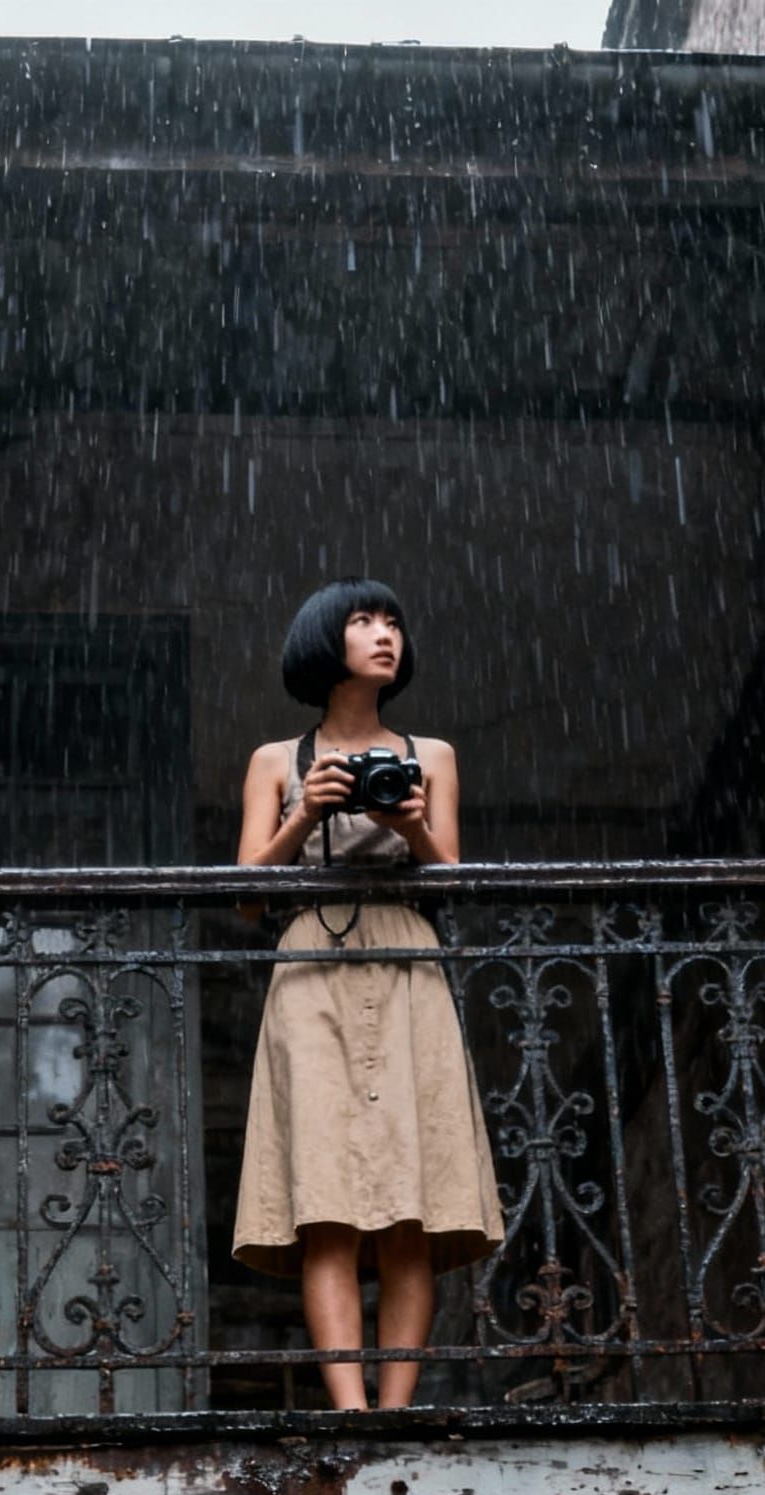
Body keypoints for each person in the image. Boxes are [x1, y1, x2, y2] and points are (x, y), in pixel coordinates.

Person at [232, 577, 503, 1410]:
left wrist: (409, 826)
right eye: (363, 621)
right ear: (325, 640)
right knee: (327, 1201)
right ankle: (349, 1410)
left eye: (394, 620)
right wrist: (303, 817)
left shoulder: (434, 756)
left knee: (409, 1203)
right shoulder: (276, 760)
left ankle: (396, 1410)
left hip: (407, 955)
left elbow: (451, 881)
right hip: (312, 958)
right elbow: (243, 892)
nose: (385, 634)